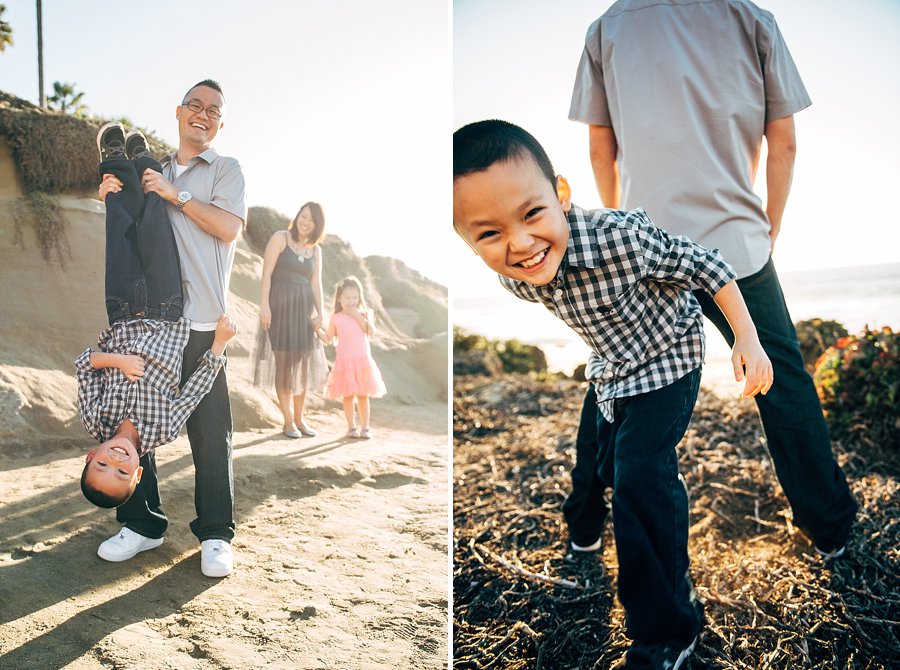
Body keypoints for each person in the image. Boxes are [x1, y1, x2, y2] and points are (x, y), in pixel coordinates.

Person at [453, 120, 773, 669]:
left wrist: (747, 337)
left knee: (640, 476)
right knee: (591, 464)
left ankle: (671, 632)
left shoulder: (620, 237)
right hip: (611, 368)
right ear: (466, 239)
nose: (521, 244)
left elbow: (708, 265)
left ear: (561, 193)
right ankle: (583, 536)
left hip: (669, 359)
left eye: (532, 214)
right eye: (489, 233)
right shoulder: (514, 273)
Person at [568, 0, 857, 566]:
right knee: (782, 379)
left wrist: (625, 230)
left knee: (611, 377)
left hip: (645, 243)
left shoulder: (607, 28)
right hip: (735, 240)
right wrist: (769, 222)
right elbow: (785, 140)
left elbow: (601, 149)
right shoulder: (750, 18)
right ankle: (829, 529)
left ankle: (583, 525)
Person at [95, 80, 246, 578]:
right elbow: (134, 231)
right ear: (179, 113)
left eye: (214, 111)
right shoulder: (152, 168)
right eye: (195, 106)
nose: (203, 115)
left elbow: (228, 228)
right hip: (152, 320)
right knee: (134, 429)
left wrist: (174, 193)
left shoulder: (225, 169)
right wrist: (112, 196)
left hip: (200, 319)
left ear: (220, 123)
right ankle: (141, 525)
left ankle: (216, 534)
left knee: (210, 434)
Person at [79, 121, 237, 510]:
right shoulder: (163, 430)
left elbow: (84, 365)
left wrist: (117, 361)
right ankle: (144, 159)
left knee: (119, 224)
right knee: (153, 221)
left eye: (102, 464)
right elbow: (194, 390)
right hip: (167, 307)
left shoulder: (95, 419)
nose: (115, 460)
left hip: (121, 310)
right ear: (138, 473)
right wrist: (218, 344)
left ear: (90, 455)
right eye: (121, 472)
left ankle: (114, 158)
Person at [253, 203, 328, 438]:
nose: (305, 222)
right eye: (303, 216)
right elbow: (266, 274)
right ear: (297, 217)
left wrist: (321, 312)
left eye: (311, 220)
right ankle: (287, 422)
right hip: (280, 307)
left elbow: (316, 284)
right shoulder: (280, 238)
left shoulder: (316, 250)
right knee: (284, 364)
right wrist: (264, 305)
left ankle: (300, 419)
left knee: (302, 368)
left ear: (317, 226)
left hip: (303, 312)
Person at [317, 276, 387, 439]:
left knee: (363, 395)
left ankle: (365, 427)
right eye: (347, 298)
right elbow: (328, 339)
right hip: (345, 362)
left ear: (360, 298)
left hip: (362, 361)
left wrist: (357, 315)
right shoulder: (336, 317)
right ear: (339, 298)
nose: (351, 301)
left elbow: (370, 332)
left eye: (355, 297)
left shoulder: (364, 313)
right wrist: (317, 329)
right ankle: (351, 427)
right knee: (348, 396)